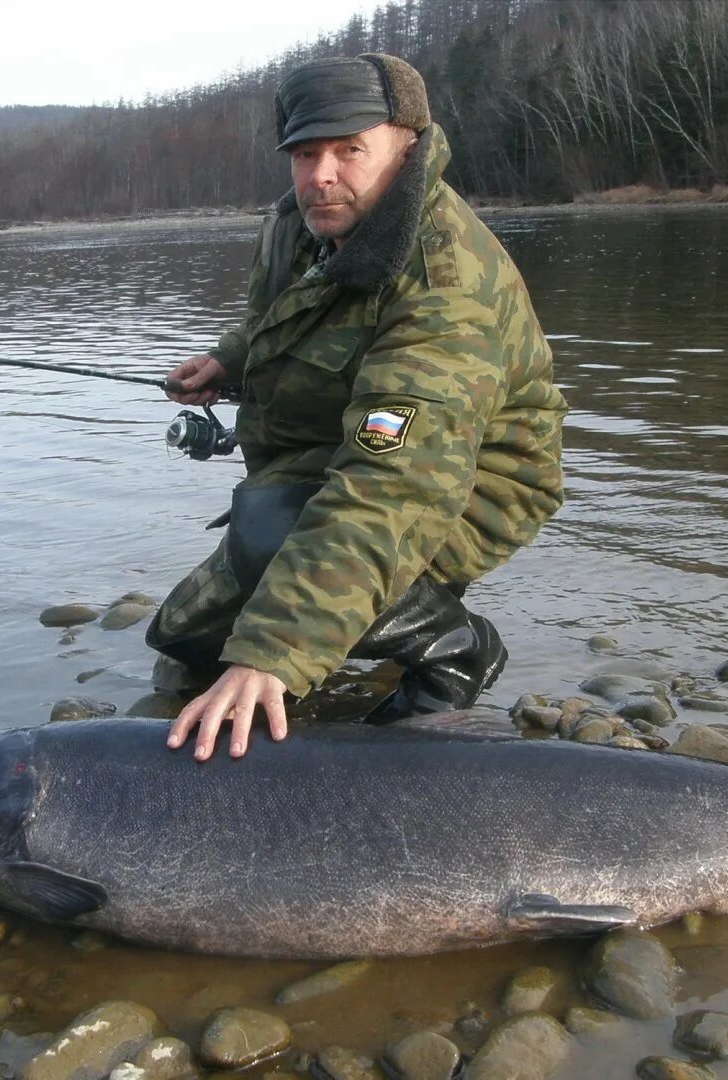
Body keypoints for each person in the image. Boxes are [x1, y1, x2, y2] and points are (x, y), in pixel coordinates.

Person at [147, 52, 566, 761]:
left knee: (272, 542)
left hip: (467, 482)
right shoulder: (298, 225)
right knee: (186, 640)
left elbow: (391, 491)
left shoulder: (444, 285)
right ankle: (321, 625)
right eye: (305, 154)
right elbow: (279, 315)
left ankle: (456, 647)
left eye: (350, 150)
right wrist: (230, 358)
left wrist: (273, 655)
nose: (321, 175)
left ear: (406, 148)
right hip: (331, 459)